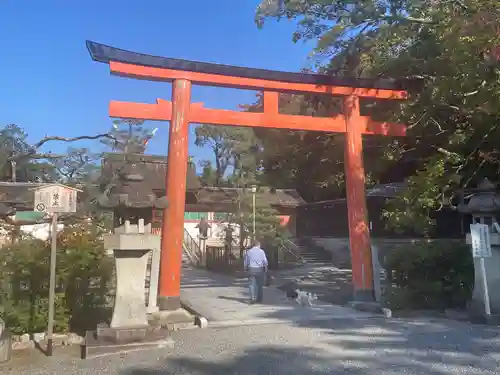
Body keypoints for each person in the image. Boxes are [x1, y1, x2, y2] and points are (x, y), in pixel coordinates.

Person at [244, 240, 268, 304]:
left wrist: (245, 268)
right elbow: (265, 261)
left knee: (251, 285)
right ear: (258, 245)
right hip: (259, 270)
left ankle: (252, 299)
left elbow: (246, 261)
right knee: (259, 285)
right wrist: (266, 269)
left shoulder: (249, 252)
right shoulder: (261, 251)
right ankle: (259, 299)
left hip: (251, 269)